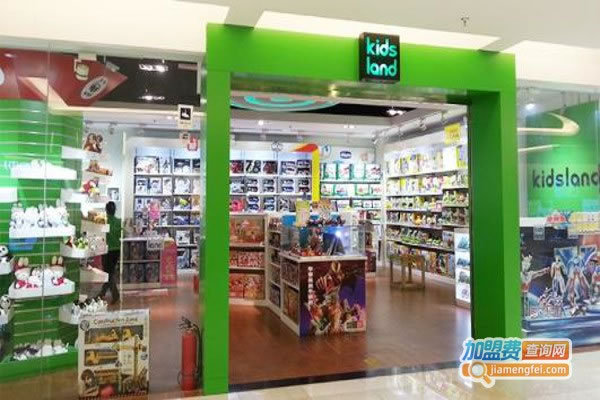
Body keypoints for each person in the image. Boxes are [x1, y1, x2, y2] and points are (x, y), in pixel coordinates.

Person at [98, 201, 121, 304]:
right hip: (116, 250)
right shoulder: (118, 221)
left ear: (106, 210)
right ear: (115, 210)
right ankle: (102, 293)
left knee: (108, 273)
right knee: (109, 272)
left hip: (107, 250)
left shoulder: (104, 221)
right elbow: (121, 234)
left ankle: (115, 294)